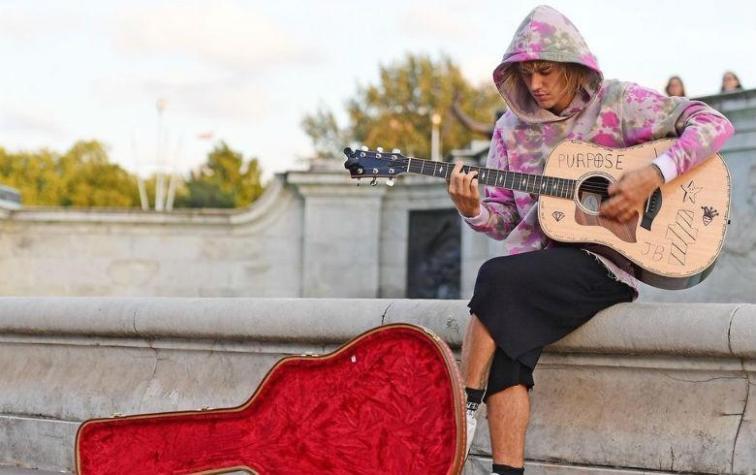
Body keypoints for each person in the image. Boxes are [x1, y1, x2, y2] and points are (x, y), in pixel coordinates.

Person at [446, 6, 734, 475]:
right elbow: (504, 220)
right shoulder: (507, 131)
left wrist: (651, 175)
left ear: (572, 65)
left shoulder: (618, 102)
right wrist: (472, 209)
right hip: (534, 272)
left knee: (494, 278)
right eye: (525, 73)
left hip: (604, 265)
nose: (535, 83)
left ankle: (462, 405)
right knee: (507, 354)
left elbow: (713, 124)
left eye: (545, 70)